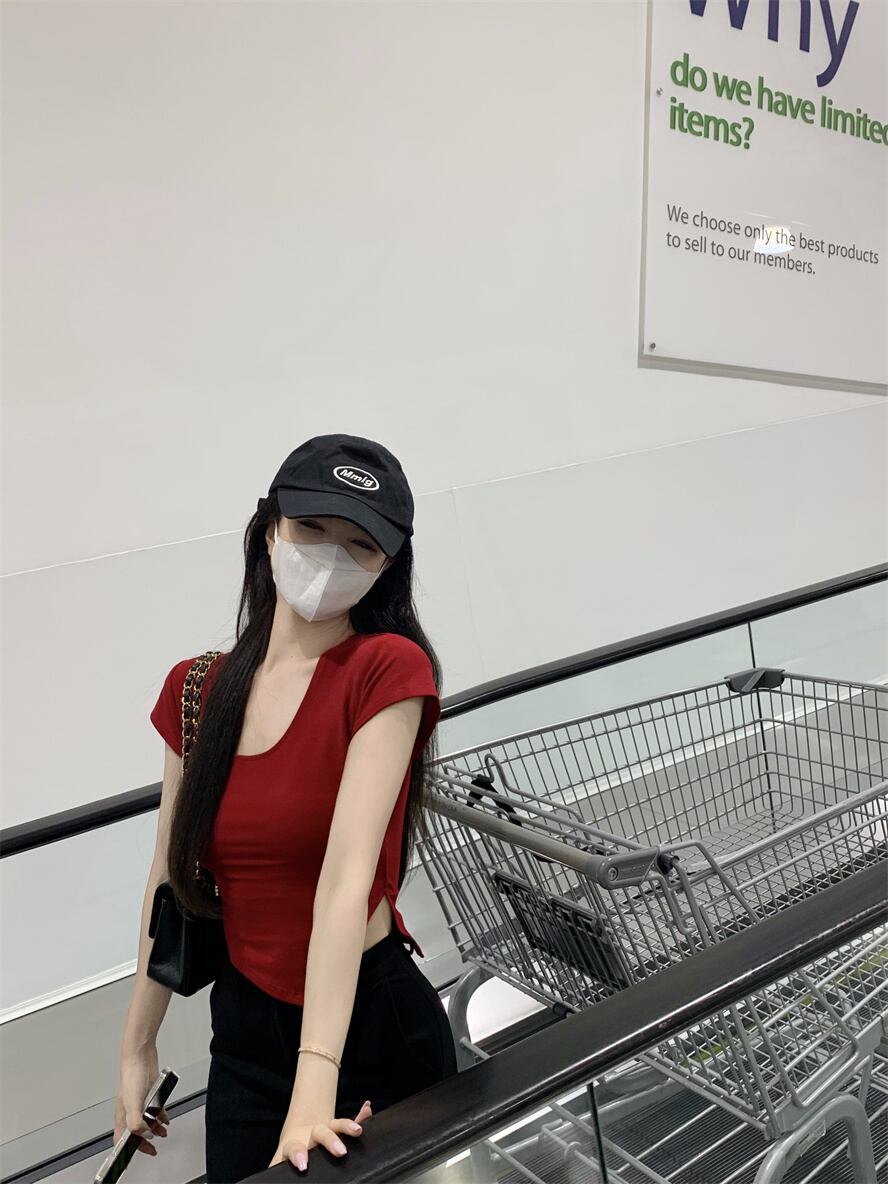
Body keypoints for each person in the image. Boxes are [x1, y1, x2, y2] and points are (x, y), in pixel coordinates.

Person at [114, 433, 458, 1183]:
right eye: (311, 528)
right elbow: (169, 878)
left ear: (387, 564)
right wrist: (137, 1044)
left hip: (367, 1025)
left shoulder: (386, 670)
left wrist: (314, 1088)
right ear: (268, 530)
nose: (330, 557)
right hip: (244, 1027)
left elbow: (345, 882)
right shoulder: (197, 689)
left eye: (360, 543)